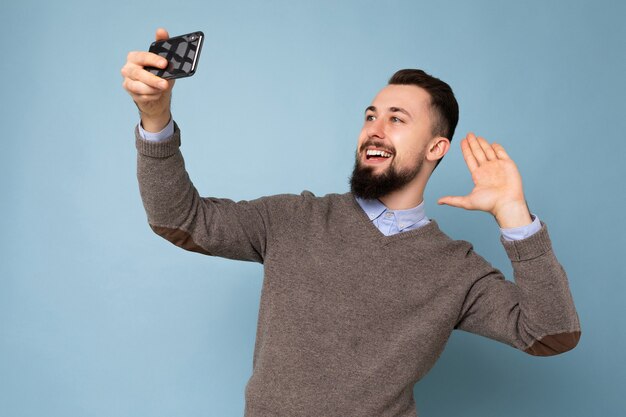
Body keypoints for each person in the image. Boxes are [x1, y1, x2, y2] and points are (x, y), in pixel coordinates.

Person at [122, 28, 581, 417]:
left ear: (436, 148)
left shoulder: (457, 271)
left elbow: (550, 332)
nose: (374, 129)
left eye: (396, 119)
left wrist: (514, 216)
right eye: (370, 116)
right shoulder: (293, 218)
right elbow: (178, 217)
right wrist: (155, 119)